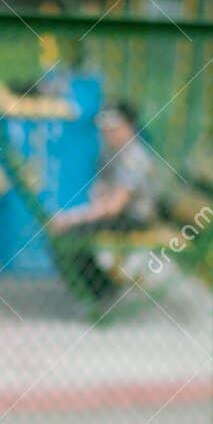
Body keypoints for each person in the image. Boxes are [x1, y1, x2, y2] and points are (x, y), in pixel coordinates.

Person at [47, 100, 162, 300]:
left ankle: (99, 294)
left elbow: (114, 207)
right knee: (64, 236)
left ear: (130, 126)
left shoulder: (134, 157)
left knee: (69, 237)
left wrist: (71, 218)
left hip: (135, 219)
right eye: (105, 128)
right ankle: (99, 290)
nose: (108, 133)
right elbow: (101, 197)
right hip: (119, 215)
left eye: (114, 127)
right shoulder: (112, 153)